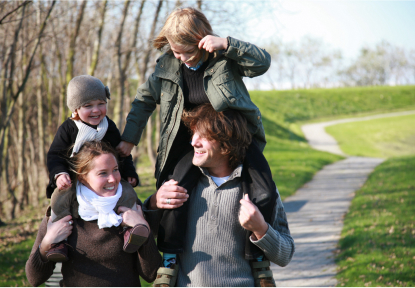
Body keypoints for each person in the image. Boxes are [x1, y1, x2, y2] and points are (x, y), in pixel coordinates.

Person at [116, 6, 273, 272]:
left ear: (202, 40)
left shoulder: (223, 59)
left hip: (236, 139)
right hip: (193, 145)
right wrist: (129, 139)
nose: (183, 58)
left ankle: (258, 260)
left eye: (188, 51)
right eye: (177, 51)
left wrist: (227, 44)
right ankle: (169, 261)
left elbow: (262, 63)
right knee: (176, 191)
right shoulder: (166, 68)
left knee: (264, 191)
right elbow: (143, 101)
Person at [144, 104, 294, 287]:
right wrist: (153, 202)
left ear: (226, 144)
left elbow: (285, 255)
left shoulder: (260, 191)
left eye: (203, 136)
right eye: (194, 134)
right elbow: (144, 238)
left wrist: (261, 229)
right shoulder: (178, 186)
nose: (193, 142)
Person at [26, 141, 161, 287]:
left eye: (115, 169)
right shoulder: (62, 211)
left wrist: (143, 228)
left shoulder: (130, 208)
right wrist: (46, 244)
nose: (113, 179)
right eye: (103, 173)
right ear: (83, 177)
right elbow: (34, 279)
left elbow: (151, 274)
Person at [45, 75, 140, 261]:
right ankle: (57, 241)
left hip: (106, 178)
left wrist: (129, 172)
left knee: (128, 193)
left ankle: (132, 229)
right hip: (74, 179)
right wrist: (59, 174)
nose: (96, 110)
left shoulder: (108, 126)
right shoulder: (68, 129)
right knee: (59, 198)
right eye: (88, 106)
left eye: (101, 103)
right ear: (75, 109)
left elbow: (122, 153)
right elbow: (55, 155)